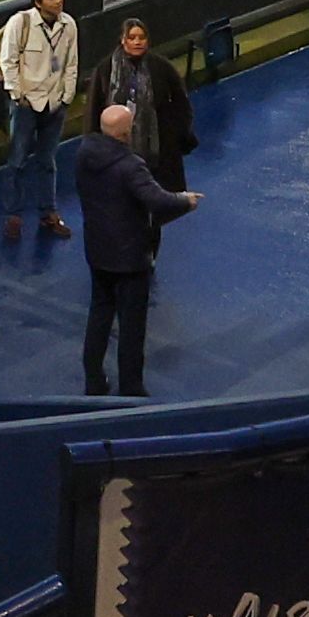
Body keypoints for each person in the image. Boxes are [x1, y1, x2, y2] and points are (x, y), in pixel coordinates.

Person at [71, 98, 195, 398]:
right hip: (129, 257)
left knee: (99, 314)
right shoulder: (130, 166)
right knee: (131, 325)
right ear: (126, 134)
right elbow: (157, 200)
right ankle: (131, 385)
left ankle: (93, 379)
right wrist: (185, 201)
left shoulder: (84, 151)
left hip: (98, 251)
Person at [0, 0, 81, 239]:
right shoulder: (20, 23)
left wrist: (66, 96)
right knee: (17, 161)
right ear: (38, 2)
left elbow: (71, 62)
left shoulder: (69, 25)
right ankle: (13, 216)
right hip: (26, 103)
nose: (58, 0)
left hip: (55, 102)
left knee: (48, 161)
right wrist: (17, 94)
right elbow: (7, 60)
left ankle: (49, 214)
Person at [114, 16, 197, 192]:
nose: (137, 42)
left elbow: (181, 104)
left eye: (141, 37)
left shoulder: (162, 67)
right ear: (123, 40)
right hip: (120, 146)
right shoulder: (108, 70)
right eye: (132, 37)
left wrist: (180, 134)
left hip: (160, 146)